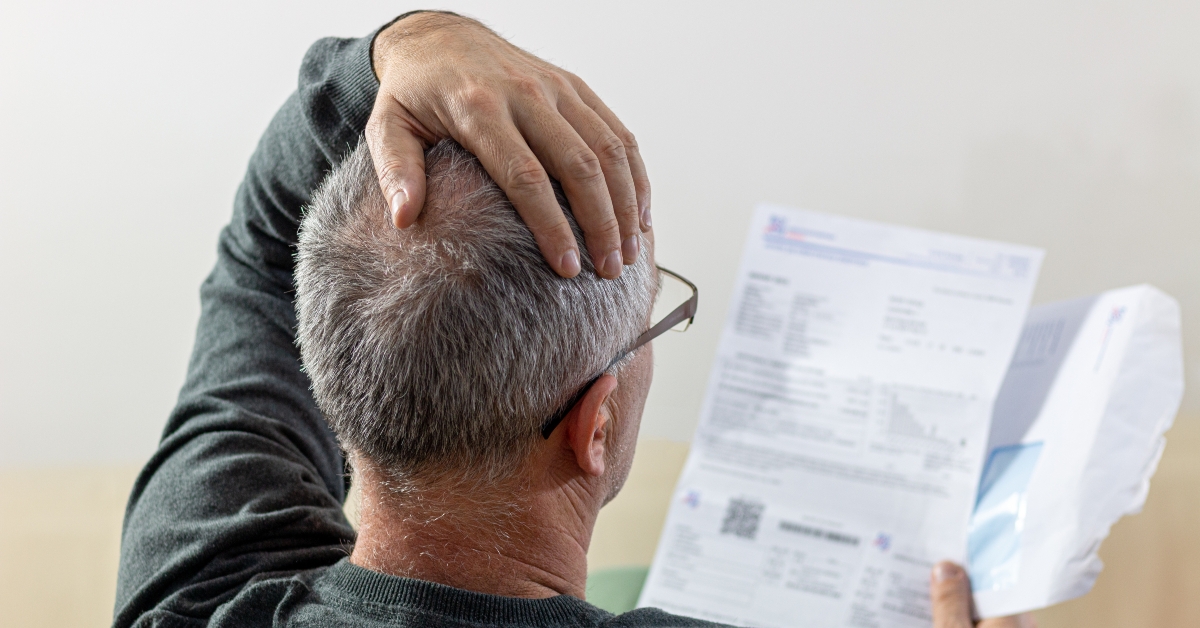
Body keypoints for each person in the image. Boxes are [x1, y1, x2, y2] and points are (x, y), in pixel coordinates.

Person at [114, 9, 1031, 628]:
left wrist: (407, 41)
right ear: (594, 427)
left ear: (323, 365)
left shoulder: (195, 589)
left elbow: (258, 248)